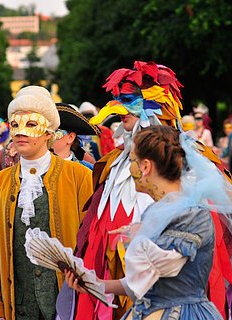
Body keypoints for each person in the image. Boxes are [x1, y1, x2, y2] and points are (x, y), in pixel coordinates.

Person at [66, 125, 232, 320]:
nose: (130, 168)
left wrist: (135, 240)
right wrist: (94, 283)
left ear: (145, 166)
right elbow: (139, 285)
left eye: (132, 161)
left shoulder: (193, 214)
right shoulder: (155, 211)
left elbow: (157, 270)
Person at [75, 61, 185, 319]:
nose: (119, 108)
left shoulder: (179, 160)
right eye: (117, 100)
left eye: (129, 100)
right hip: (112, 267)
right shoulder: (114, 160)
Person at [0, 86, 93, 320]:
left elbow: (90, 240)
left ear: (49, 132)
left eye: (31, 125)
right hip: (18, 304)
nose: (21, 132)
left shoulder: (79, 176)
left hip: (66, 300)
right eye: (15, 125)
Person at [53, 104, 100, 170]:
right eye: (45, 131)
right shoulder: (36, 166)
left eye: (55, 132)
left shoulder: (87, 171)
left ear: (71, 137)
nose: (47, 135)